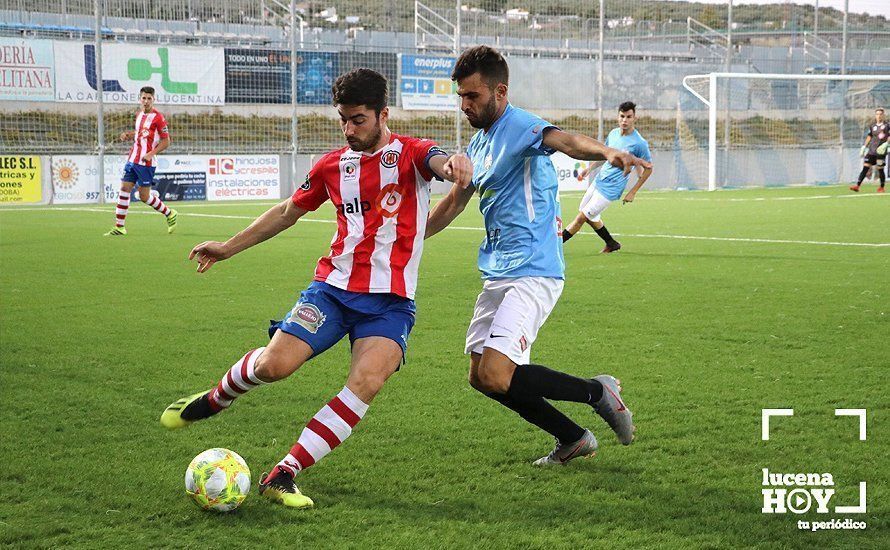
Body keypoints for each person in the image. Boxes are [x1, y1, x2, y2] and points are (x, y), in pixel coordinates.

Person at [160, 68, 472, 507]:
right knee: (275, 366)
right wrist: (228, 247)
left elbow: (438, 161)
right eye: (342, 119)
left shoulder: (411, 154)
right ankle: (216, 398)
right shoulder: (330, 165)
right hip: (332, 290)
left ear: (383, 114)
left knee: (366, 382)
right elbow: (288, 211)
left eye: (358, 119)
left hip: (391, 304)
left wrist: (453, 165)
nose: (348, 129)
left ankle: (284, 473)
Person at [426, 45, 649, 466]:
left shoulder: (522, 125)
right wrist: (412, 237)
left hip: (534, 268)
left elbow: (565, 141)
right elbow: (455, 202)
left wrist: (605, 152)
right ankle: (572, 437)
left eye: (472, 96)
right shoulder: (478, 144)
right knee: (481, 377)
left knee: (497, 372)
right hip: (497, 270)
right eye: (460, 97)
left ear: (500, 92)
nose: (464, 105)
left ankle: (598, 392)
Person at [562, 101, 653, 252]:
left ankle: (553, 247)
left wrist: (633, 191)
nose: (625, 120)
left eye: (628, 117)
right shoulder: (613, 134)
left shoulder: (639, 143)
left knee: (581, 217)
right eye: (622, 116)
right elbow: (605, 155)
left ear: (634, 118)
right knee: (587, 213)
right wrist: (590, 169)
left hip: (611, 188)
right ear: (618, 117)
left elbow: (649, 168)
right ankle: (611, 243)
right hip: (599, 180)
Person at [103, 86, 177, 236]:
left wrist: (151, 153)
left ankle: (169, 213)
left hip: (146, 163)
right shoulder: (139, 115)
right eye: (144, 98)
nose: (146, 101)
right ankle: (119, 227)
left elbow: (166, 141)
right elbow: (141, 133)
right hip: (132, 159)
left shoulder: (158, 118)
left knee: (144, 196)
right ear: (140, 99)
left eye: (149, 98)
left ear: (153, 100)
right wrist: (129, 135)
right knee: (124, 189)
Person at [851, 107, 888, 193]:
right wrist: (864, 146)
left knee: (880, 169)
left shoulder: (887, 126)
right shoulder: (872, 126)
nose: (879, 116)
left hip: (880, 152)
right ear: (875, 115)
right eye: (877, 114)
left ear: (883, 115)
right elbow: (869, 136)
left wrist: (886, 144)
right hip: (871, 151)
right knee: (865, 168)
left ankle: (881, 187)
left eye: (880, 114)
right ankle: (857, 186)